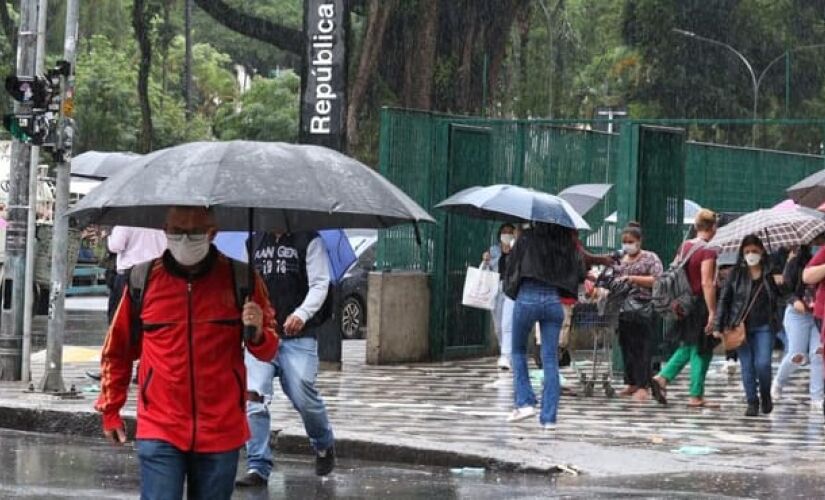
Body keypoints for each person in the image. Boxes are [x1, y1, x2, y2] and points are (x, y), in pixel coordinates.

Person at [95, 207, 279, 500]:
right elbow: (117, 351)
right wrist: (110, 409)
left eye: (193, 232)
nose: (184, 239)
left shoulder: (241, 278)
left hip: (222, 428)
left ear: (212, 233)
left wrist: (256, 330)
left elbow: (269, 350)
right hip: (160, 426)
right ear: (165, 229)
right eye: (177, 231)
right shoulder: (143, 279)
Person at [236, 231, 336, 487]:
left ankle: (323, 443)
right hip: (262, 336)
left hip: (299, 337)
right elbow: (244, 286)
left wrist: (302, 314)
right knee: (254, 396)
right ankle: (257, 465)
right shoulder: (254, 241)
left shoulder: (310, 241)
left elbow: (320, 284)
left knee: (303, 393)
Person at [504, 222, 583, 429]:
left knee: (518, 351)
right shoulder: (564, 241)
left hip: (527, 297)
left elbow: (511, 268)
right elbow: (579, 271)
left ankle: (525, 402)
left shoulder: (526, 238)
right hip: (553, 301)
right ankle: (549, 419)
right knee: (550, 359)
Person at [651, 209, 719, 409]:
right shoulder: (708, 250)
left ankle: (663, 378)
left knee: (689, 345)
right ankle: (695, 395)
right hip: (699, 304)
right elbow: (706, 282)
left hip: (683, 303)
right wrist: (713, 311)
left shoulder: (685, 246)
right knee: (702, 348)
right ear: (713, 227)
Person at [87, 226, 167, 382]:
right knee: (150, 324)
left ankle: (114, 369)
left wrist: (106, 236)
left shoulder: (126, 222)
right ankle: (144, 368)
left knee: (119, 325)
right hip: (156, 275)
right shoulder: (161, 221)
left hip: (129, 276)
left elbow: (116, 245)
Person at [714, 234, 782, 417]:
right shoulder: (735, 274)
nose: (751, 254)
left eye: (755, 251)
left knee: (763, 364)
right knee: (747, 366)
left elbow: (780, 298)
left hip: (764, 326)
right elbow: (724, 300)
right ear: (742, 253)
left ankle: (765, 395)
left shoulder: (770, 272)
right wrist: (718, 325)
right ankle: (752, 401)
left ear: (762, 251)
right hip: (740, 326)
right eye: (747, 251)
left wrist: (780, 283)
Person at [613, 223, 663, 401]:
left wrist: (633, 279)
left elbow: (657, 279)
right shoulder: (619, 260)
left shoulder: (650, 258)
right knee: (626, 346)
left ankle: (643, 385)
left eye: (631, 241)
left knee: (642, 347)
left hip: (644, 307)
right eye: (625, 242)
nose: (627, 245)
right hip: (623, 309)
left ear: (639, 241)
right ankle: (631, 381)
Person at [774, 242, 825, 412]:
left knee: (818, 353)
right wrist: (794, 301)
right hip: (798, 314)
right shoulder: (795, 261)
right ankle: (779, 382)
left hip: (818, 314)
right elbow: (786, 289)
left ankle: (817, 397)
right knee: (797, 354)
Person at [483, 223, 516, 371]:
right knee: (498, 325)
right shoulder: (494, 250)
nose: (507, 235)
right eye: (504, 232)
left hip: (510, 289)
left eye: (510, 232)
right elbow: (487, 270)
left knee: (507, 323)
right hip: (496, 288)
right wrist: (486, 260)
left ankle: (506, 355)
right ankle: (504, 350)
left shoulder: (517, 250)